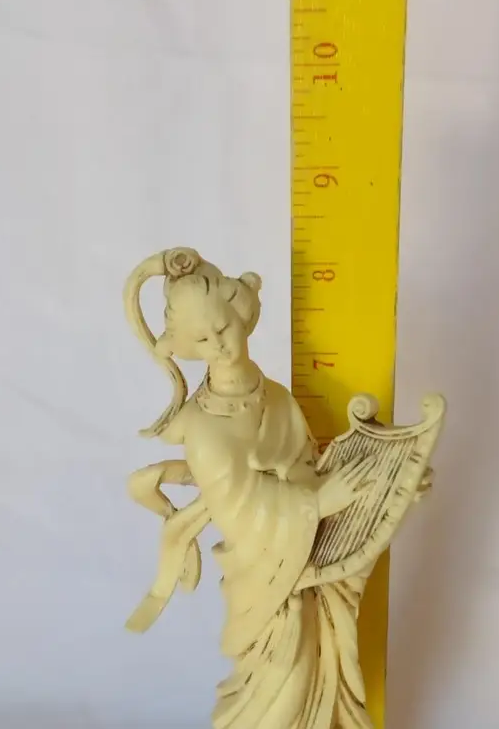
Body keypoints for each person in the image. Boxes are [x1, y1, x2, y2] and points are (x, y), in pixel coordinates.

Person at [124, 248, 375, 729]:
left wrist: (381, 486)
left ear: (242, 314)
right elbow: (237, 505)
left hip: (305, 549)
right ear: (184, 348)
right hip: (263, 563)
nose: (219, 345)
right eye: (202, 339)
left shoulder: (275, 395)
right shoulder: (203, 427)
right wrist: (318, 502)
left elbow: (306, 464)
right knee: (281, 670)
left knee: (316, 656)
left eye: (223, 328)